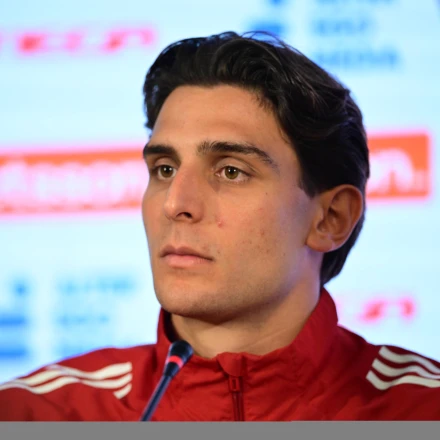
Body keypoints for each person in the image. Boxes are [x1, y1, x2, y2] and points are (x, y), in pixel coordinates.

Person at [0, 31, 439, 421]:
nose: (175, 204)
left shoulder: (422, 410)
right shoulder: (33, 415)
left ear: (330, 218)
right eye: (165, 169)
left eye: (231, 171)